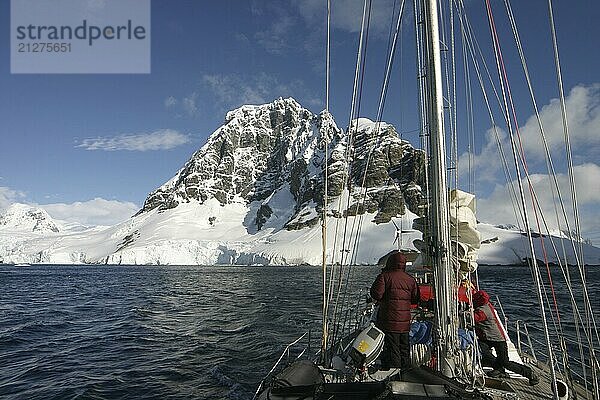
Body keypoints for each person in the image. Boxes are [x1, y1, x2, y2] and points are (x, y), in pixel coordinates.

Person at [472, 290, 539, 385]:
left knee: (505, 362)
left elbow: (474, 318)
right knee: (482, 352)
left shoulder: (483, 311)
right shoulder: (487, 306)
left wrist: (465, 312)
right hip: (487, 337)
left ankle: (530, 374)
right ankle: (499, 369)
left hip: (497, 339)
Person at [370, 252, 420, 370]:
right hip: (404, 322)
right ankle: (406, 371)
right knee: (404, 347)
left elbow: (376, 294)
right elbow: (415, 298)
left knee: (392, 348)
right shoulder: (410, 279)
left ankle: (394, 373)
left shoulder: (385, 277)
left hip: (388, 320)